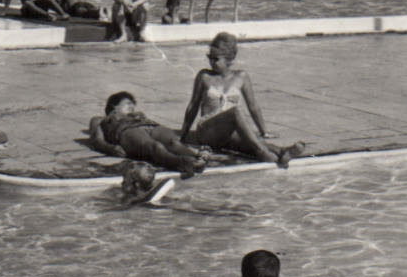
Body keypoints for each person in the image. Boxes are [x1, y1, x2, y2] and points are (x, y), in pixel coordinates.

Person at [181, 31, 304, 167]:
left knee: (250, 141)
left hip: (229, 133)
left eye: (216, 59)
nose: (211, 62)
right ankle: (262, 152)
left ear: (229, 60)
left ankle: (282, 152)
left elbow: (253, 106)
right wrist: (183, 134)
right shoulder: (204, 76)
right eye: (210, 57)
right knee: (235, 112)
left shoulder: (241, 76)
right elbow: (193, 105)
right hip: (208, 131)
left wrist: (264, 131)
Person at [89, 91, 208, 177]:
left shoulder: (138, 115)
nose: (132, 106)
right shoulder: (100, 119)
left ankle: (197, 160)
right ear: (114, 106)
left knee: (173, 142)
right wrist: (110, 148)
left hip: (150, 126)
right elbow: (97, 140)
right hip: (126, 130)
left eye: (133, 104)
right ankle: (180, 163)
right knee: (154, 146)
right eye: (127, 103)